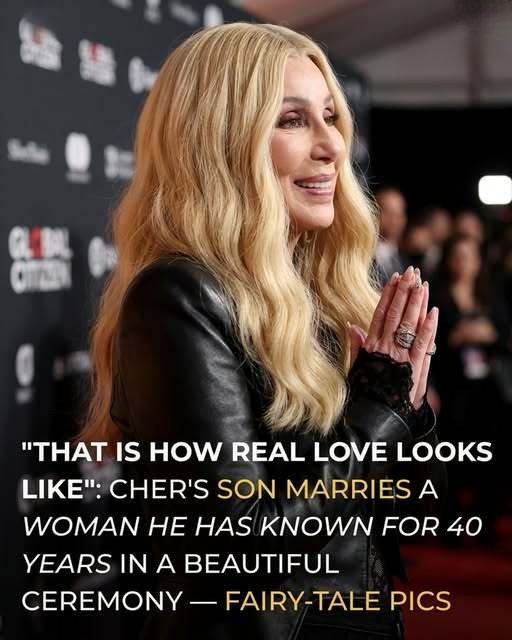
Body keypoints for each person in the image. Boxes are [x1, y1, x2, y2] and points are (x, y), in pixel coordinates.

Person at [80, 22, 444, 640]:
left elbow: (402, 512)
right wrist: (378, 412)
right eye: (293, 120)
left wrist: (408, 413)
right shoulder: (180, 296)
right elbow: (240, 540)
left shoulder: (327, 290)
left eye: (330, 116)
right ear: (220, 141)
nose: (332, 145)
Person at [373, 186, 409, 286]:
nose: (394, 220)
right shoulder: (360, 257)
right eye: (388, 212)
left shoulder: (408, 260)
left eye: (399, 214)